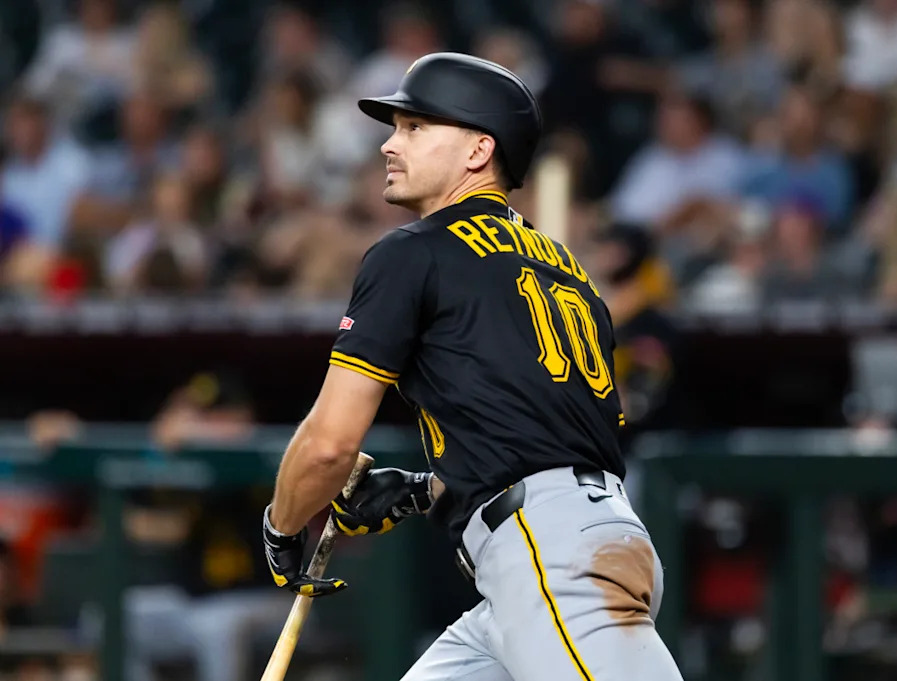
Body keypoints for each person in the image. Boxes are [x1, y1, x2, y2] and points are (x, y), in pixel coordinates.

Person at [262, 52, 684, 681]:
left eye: (415, 127)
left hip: (550, 559)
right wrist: (421, 490)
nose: (389, 144)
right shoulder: (565, 267)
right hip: (561, 548)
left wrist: (281, 525)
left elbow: (328, 446)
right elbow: (540, 436)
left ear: (478, 150)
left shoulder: (412, 253)